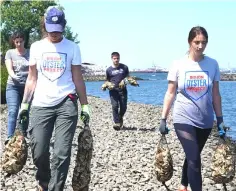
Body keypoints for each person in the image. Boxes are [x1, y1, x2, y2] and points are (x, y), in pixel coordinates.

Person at [18, 6, 90, 191]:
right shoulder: (37, 47)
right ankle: (44, 180)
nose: (55, 34)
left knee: (62, 152)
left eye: (58, 31)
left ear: (64, 27)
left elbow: (77, 78)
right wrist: (25, 104)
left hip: (66, 101)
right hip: (41, 103)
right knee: (39, 150)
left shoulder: (73, 47)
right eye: (51, 30)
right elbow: (32, 78)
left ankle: (55, 188)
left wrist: (85, 106)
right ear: (45, 26)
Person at [159, 26, 226, 191]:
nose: (200, 46)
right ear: (190, 42)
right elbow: (170, 93)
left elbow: (216, 94)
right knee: (195, 160)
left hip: (205, 120)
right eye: (197, 42)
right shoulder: (178, 64)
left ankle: (183, 185)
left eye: (204, 42)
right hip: (183, 118)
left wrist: (220, 120)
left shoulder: (212, 64)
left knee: (192, 156)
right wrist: (163, 119)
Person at [5, 31, 29, 144]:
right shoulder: (10, 53)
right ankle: (9, 137)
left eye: (21, 41)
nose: (19, 44)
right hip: (13, 86)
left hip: (27, 88)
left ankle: (23, 134)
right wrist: (15, 76)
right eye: (16, 42)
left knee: (25, 111)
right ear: (14, 42)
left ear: (24, 41)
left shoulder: (30, 53)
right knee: (13, 111)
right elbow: (9, 69)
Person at [104, 52, 129, 130]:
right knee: (114, 106)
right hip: (113, 91)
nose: (116, 60)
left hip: (123, 90)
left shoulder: (124, 67)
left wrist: (124, 81)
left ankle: (120, 117)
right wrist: (106, 85)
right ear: (112, 59)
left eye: (117, 58)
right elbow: (106, 81)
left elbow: (129, 78)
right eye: (114, 58)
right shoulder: (108, 70)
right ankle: (117, 122)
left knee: (123, 107)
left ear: (119, 58)